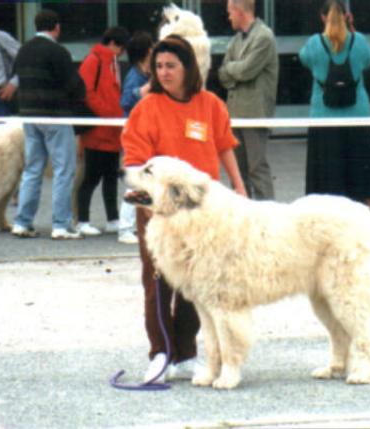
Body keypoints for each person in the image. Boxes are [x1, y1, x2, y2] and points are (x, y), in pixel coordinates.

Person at [121, 35, 246, 382]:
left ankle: (186, 352)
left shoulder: (210, 105)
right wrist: (148, 208)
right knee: (157, 281)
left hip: (204, 209)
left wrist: (239, 185)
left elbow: (224, 146)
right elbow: (134, 161)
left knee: (199, 282)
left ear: (187, 67)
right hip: (159, 207)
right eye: (158, 66)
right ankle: (160, 353)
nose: (163, 72)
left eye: (170, 66)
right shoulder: (146, 109)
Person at [298, 0, 370, 214]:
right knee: (362, 171)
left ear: (323, 17)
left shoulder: (314, 43)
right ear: (347, 17)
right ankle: (369, 212)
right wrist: (351, 30)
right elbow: (369, 59)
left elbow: (304, 60)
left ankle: (326, 216)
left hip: (323, 118)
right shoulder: (359, 41)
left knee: (326, 171)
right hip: (357, 117)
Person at [11, 9, 86, 239]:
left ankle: (22, 222)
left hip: (30, 116)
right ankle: (61, 225)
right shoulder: (58, 51)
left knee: (32, 169)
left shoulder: (23, 50)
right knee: (64, 170)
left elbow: (17, 80)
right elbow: (75, 86)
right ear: (57, 27)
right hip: (55, 116)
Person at [218, 0, 278, 200]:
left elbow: (246, 71)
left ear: (238, 11)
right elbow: (222, 74)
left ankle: (269, 217)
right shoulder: (236, 40)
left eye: (229, 12)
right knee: (238, 173)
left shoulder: (264, 37)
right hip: (234, 114)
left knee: (256, 168)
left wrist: (232, 69)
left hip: (255, 114)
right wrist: (235, 70)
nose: (228, 17)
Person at [75, 26, 129, 238]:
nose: (122, 53)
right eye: (121, 48)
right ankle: (82, 220)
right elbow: (86, 92)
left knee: (109, 177)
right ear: (115, 44)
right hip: (99, 128)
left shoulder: (108, 61)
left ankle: (112, 219)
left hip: (110, 129)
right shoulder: (94, 60)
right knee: (91, 178)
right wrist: (108, 114)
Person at [115, 30, 153, 245]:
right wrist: (143, 90)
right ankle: (125, 227)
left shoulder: (142, 73)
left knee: (141, 179)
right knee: (134, 180)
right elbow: (126, 101)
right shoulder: (135, 77)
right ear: (147, 51)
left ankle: (133, 225)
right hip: (134, 135)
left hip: (142, 133)